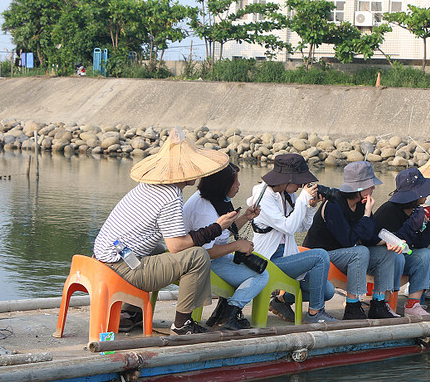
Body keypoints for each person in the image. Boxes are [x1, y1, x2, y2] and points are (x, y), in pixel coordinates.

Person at [93, 128, 235, 335]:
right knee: (197, 256)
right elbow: (177, 246)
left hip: (106, 255)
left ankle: (130, 313)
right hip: (119, 264)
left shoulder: (149, 185)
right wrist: (216, 228)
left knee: (160, 252)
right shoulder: (170, 196)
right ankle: (182, 325)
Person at [302, 161, 402, 320]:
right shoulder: (333, 205)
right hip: (322, 255)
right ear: (359, 188)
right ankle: (353, 307)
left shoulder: (361, 205)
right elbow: (349, 241)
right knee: (360, 252)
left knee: (386, 254)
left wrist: (386, 242)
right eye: (371, 185)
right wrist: (367, 214)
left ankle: (379, 304)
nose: (374, 188)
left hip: (346, 254)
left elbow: (369, 236)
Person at [248, 153, 337, 323]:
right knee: (320, 256)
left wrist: (310, 206)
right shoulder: (263, 195)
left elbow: (301, 227)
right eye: (298, 180)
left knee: (327, 291)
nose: (300, 185)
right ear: (286, 179)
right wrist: (303, 198)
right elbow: (287, 227)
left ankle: (280, 301)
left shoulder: (287, 194)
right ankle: (315, 313)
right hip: (268, 259)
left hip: (286, 256)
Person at [182, 163, 267, 330]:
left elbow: (220, 233)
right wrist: (237, 246)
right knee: (260, 277)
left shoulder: (211, 198)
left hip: (207, 257)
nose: (239, 185)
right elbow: (206, 252)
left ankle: (221, 314)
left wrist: (245, 217)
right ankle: (230, 315)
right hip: (200, 261)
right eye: (235, 182)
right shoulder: (204, 210)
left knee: (258, 269)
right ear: (223, 185)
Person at [374, 167, 430, 316]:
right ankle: (384, 303)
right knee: (397, 256)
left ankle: (413, 304)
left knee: (425, 254)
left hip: (404, 255)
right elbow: (395, 239)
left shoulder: (416, 211)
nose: (426, 195)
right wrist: (415, 222)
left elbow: (420, 243)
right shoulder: (388, 211)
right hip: (383, 258)